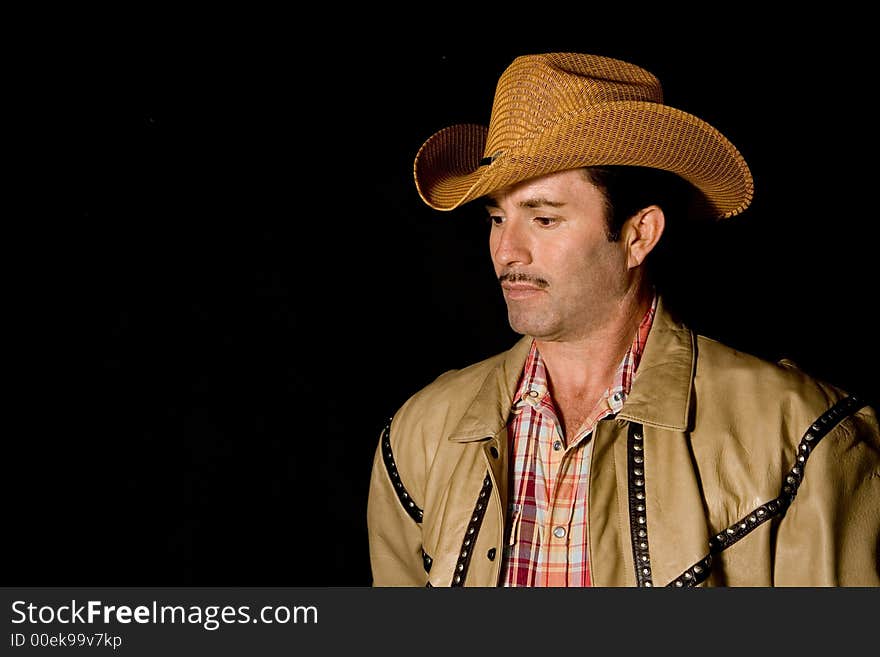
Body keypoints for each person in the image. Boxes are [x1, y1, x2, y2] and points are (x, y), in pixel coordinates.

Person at [366, 52, 880, 587]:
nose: (506, 251)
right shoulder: (421, 434)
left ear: (638, 236)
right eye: (497, 218)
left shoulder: (800, 438)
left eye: (543, 218)